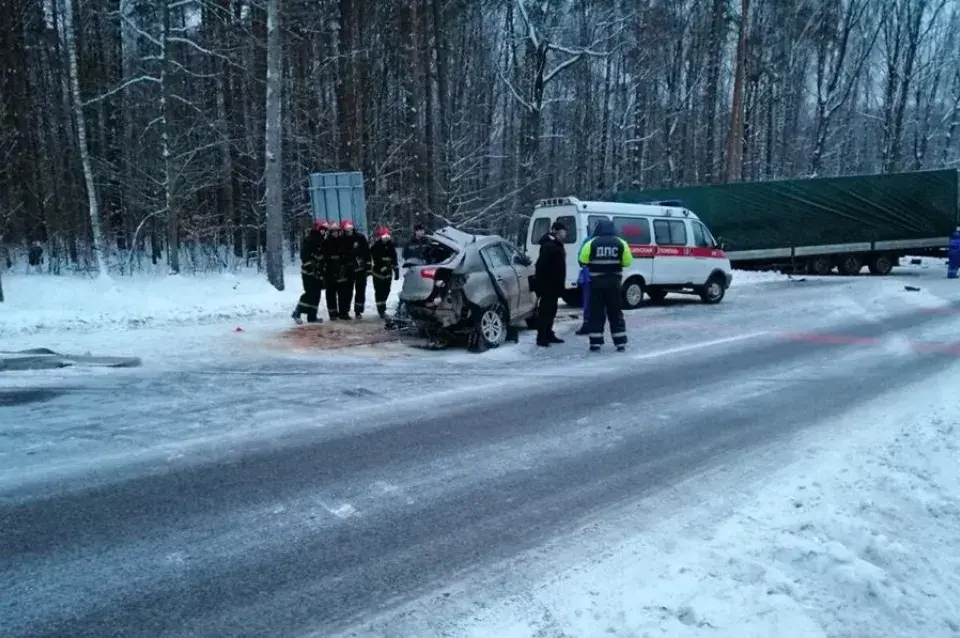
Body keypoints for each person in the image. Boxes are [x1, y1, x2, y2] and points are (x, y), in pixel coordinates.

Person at [577, 219, 634, 352]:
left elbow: (582, 260)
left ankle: (595, 343)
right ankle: (620, 343)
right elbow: (627, 262)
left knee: (596, 313)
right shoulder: (621, 242)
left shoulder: (591, 243)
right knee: (615, 313)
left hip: (596, 285)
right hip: (614, 285)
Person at [534, 221, 567, 347]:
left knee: (551, 311)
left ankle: (548, 333)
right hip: (548, 286)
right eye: (564, 231)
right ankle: (542, 337)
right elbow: (541, 267)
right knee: (545, 312)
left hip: (553, 285)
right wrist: (543, 285)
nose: (565, 233)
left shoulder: (555, 244)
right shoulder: (550, 246)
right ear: (557, 231)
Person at [292, 221, 327, 324]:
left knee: (317, 294)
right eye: (322, 229)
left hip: (318, 272)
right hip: (309, 272)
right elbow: (305, 256)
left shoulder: (322, 241)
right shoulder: (309, 240)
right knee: (310, 293)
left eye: (325, 229)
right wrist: (312, 266)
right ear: (317, 229)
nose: (324, 231)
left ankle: (312, 316)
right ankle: (297, 312)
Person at [343, 221, 372, 318]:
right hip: (348, 270)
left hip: (361, 268)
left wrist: (368, 266)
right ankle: (345, 311)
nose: (349, 230)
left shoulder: (360, 237)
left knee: (360, 291)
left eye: (350, 227)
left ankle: (358, 311)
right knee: (347, 292)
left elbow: (367, 252)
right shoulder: (342, 239)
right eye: (347, 228)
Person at [370, 226, 400, 319]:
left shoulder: (391, 246)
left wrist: (396, 270)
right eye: (384, 236)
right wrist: (382, 267)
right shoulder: (376, 246)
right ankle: (381, 310)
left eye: (387, 236)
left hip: (388, 274)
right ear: (380, 237)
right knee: (379, 292)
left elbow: (394, 259)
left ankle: (383, 306)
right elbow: (376, 259)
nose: (386, 238)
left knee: (387, 291)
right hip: (378, 274)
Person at [323, 221, 346, 320]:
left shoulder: (342, 242)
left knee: (342, 294)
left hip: (341, 271)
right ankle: (332, 313)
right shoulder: (326, 242)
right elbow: (324, 257)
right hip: (330, 272)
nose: (335, 234)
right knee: (331, 294)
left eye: (337, 232)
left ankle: (343, 313)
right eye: (334, 232)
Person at [574, 230, 592, 335]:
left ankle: (587, 325)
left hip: (589, 277)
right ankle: (598, 325)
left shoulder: (588, 241)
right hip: (606, 279)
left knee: (588, 302)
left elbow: (580, 260)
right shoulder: (615, 240)